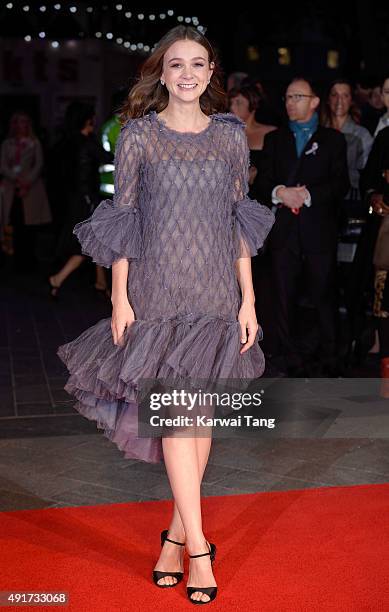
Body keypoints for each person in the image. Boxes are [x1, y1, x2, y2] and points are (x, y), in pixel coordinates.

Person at [57, 25, 275, 604]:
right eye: (175, 64)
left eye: (197, 64)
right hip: (155, 291)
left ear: (210, 75)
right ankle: (201, 549)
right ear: (162, 73)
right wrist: (118, 297)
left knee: (198, 423)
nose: (186, 73)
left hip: (214, 294)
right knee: (180, 419)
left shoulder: (230, 138)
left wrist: (247, 299)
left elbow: (238, 224)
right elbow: (123, 222)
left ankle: (175, 538)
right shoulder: (139, 138)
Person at [257, 77, 349, 375]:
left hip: (318, 230)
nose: (290, 103)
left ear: (314, 102)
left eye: (297, 96)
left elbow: (340, 183)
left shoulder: (333, 139)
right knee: (283, 297)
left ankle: (329, 358)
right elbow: (262, 181)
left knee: (323, 295)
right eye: (286, 97)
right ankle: (285, 356)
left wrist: (307, 195)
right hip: (284, 231)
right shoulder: (275, 139)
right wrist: (279, 192)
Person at [48, 102, 113, 298]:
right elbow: (108, 158)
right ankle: (57, 279)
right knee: (85, 244)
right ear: (87, 120)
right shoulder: (87, 143)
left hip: (73, 198)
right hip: (86, 200)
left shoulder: (67, 142)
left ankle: (101, 283)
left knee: (94, 242)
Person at [0, 111, 52, 271]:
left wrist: (26, 182)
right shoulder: (7, 143)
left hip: (30, 190)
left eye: (23, 122)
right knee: (14, 223)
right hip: (11, 188)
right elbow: (2, 165)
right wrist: (15, 178)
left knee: (29, 225)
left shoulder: (34, 143)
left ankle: (29, 260)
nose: (20, 125)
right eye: (17, 122)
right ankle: (15, 259)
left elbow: (38, 165)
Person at [359, 129, 389, 396]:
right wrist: (373, 196)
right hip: (387, 234)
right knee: (383, 304)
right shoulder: (386, 137)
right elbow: (368, 180)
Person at [229, 84, 276, 201]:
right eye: (231, 103)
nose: (232, 107)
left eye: (238, 103)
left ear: (253, 104)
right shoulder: (226, 134)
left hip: (263, 200)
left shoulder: (271, 133)